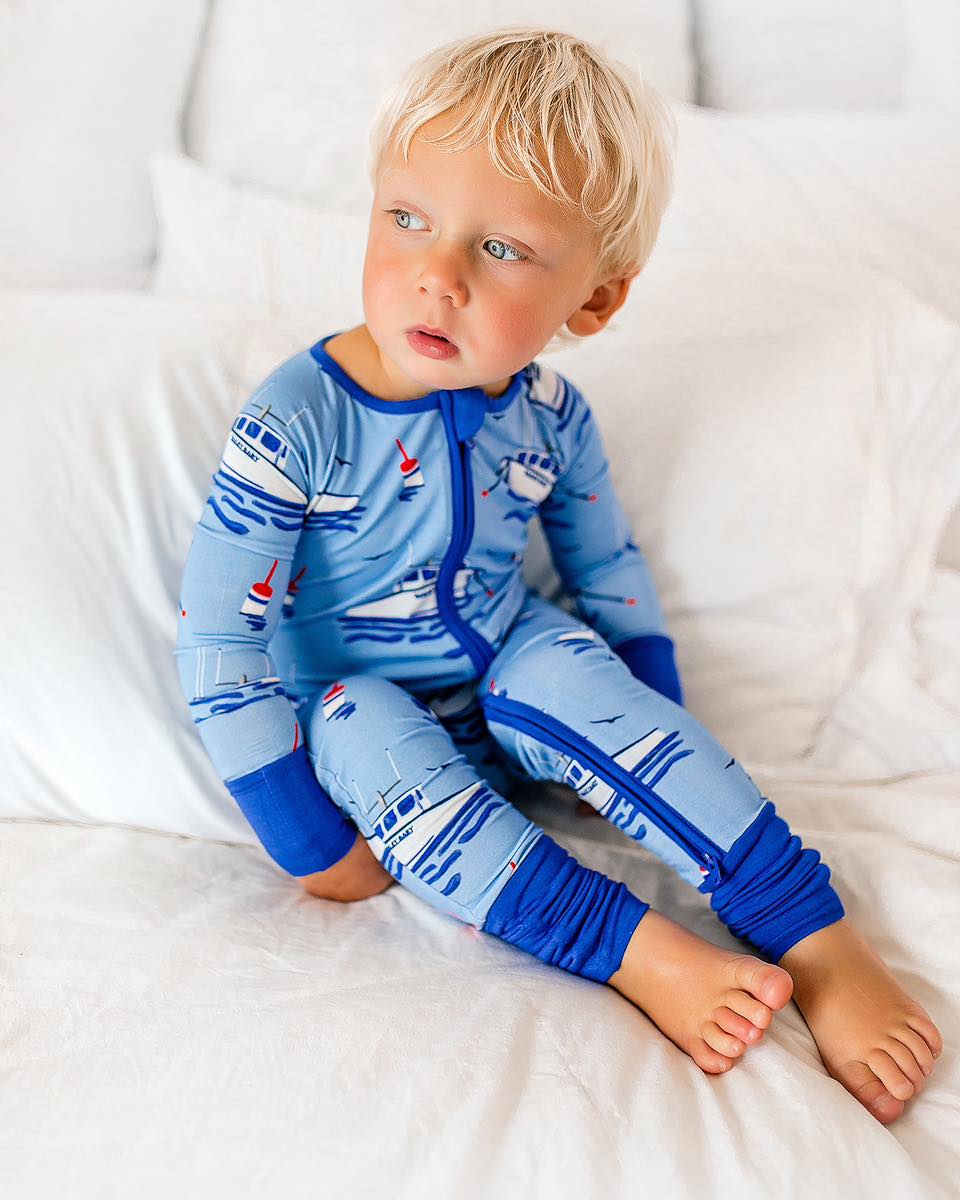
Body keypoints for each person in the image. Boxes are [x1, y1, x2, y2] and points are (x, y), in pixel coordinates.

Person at [173, 26, 942, 1122]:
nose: (437, 275)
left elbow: (607, 567)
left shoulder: (551, 416)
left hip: (509, 671)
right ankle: (638, 952)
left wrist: (647, 724)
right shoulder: (296, 422)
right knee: (356, 717)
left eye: (501, 248)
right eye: (407, 218)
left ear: (595, 301)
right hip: (361, 713)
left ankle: (816, 940)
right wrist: (303, 836)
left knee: (563, 663)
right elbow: (219, 640)